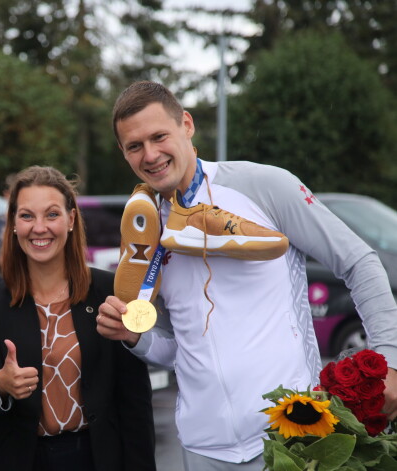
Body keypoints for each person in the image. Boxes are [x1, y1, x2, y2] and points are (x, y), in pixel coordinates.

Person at [96, 81, 397, 470]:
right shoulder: (144, 228)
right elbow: (179, 350)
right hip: (202, 449)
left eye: (159, 137)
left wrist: (389, 361)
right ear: (123, 152)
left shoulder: (262, 186)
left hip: (294, 435)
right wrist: (135, 338)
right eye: (135, 146)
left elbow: (359, 262)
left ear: (186, 125)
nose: (150, 155)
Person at [0, 166, 156, 471]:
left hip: (97, 457)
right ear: (14, 224)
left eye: (52, 214)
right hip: (22, 458)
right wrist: (1, 383)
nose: (39, 227)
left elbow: (134, 399)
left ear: (70, 220)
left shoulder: (110, 291)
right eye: (27, 216)